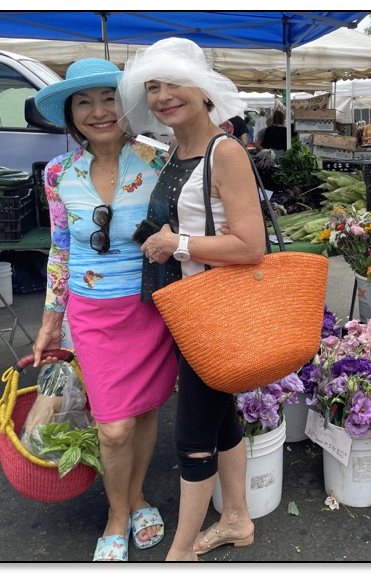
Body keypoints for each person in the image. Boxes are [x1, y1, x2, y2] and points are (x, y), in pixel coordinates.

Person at [117, 37, 265, 561]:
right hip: (182, 307)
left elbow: (251, 244)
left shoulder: (225, 151)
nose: (162, 96)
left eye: (173, 82)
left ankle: (180, 552)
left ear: (203, 89)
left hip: (212, 312)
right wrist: (154, 236)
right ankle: (237, 519)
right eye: (152, 86)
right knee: (221, 418)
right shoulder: (176, 151)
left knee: (192, 435)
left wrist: (175, 243)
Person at [31, 58, 178, 562]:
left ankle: (136, 499)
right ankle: (118, 515)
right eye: (84, 102)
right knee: (112, 426)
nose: (98, 111)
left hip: (150, 307)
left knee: (145, 410)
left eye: (109, 97)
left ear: (129, 103)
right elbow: (60, 250)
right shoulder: (58, 173)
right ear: (71, 114)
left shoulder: (161, 161)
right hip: (91, 315)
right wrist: (52, 321)